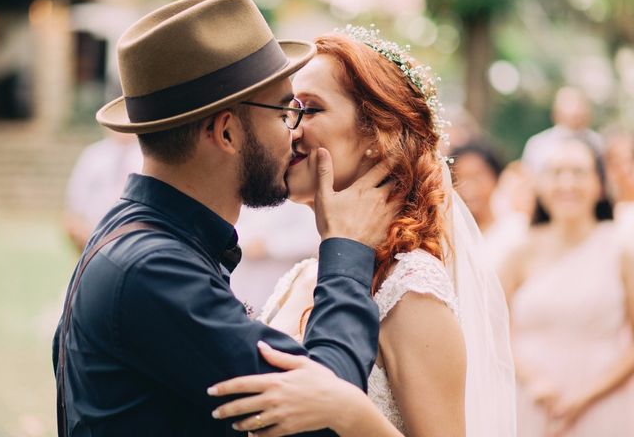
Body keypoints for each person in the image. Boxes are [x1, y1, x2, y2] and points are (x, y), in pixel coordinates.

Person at [52, 0, 399, 437]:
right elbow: (323, 414)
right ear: (228, 131)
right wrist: (347, 252)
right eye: (283, 111)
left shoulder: (140, 239)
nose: (294, 134)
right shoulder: (153, 269)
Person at [209, 27, 516, 436]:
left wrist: (349, 412)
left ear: (377, 134)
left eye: (310, 110)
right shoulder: (307, 273)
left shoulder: (410, 290)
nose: (291, 130)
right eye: (288, 111)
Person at [500, 137, 634, 436]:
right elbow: (494, 327)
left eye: (579, 172)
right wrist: (533, 380)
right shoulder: (518, 251)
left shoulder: (621, 250)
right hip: (532, 399)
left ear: (600, 183)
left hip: (605, 401)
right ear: (539, 184)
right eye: (556, 172)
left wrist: (586, 396)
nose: (567, 183)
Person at [451, 141, 528, 271]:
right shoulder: (450, 236)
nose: (468, 188)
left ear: (495, 177)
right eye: (458, 179)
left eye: (476, 178)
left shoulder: (517, 228)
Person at [64, 129, 142, 252]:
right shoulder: (93, 155)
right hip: (93, 236)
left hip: (133, 239)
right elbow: (75, 198)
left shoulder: (146, 157)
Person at [522, 87, 603, 174]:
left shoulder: (598, 143)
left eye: (579, 106)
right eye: (569, 105)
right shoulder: (538, 145)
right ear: (555, 114)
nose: (576, 111)